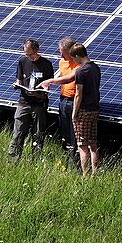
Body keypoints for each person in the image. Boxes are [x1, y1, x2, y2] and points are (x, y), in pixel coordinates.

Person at [41, 44, 101, 176]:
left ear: (78, 56)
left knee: (82, 145)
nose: (74, 61)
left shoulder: (81, 71)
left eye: (74, 58)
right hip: (94, 109)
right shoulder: (96, 68)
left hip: (83, 110)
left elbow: (78, 94)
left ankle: (85, 174)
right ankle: (95, 174)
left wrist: (75, 113)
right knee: (93, 144)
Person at [7, 38, 54, 162]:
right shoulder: (22, 62)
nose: (28, 56)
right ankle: (13, 160)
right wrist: (17, 85)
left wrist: (40, 93)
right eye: (26, 54)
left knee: (38, 135)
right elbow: (19, 80)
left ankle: (35, 162)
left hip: (39, 104)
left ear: (36, 51)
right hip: (24, 102)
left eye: (30, 54)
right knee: (18, 133)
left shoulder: (46, 64)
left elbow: (48, 85)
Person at [53, 37, 81, 165]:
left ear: (70, 52)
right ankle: (66, 157)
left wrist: (50, 81)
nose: (60, 54)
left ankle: (74, 162)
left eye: (62, 51)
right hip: (63, 100)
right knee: (64, 130)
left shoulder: (80, 65)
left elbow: (69, 79)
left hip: (74, 102)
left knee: (74, 133)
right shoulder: (62, 62)